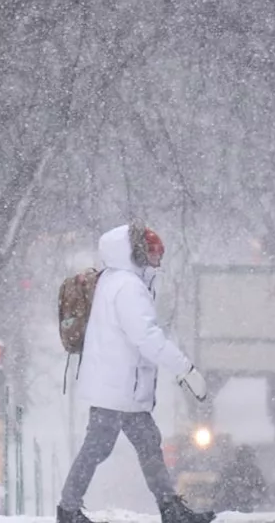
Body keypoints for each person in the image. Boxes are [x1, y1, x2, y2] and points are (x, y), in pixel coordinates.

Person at [58, 223, 214, 523]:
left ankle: (169, 507)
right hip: (118, 388)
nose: (158, 261)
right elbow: (147, 339)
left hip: (118, 386)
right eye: (155, 254)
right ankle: (68, 510)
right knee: (99, 447)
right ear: (139, 255)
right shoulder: (128, 287)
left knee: (145, 443)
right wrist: (185, 369)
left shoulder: (113, 280)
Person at [216, 445, 267, 513]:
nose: (249, 459)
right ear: (240, 458)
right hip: (230, 506)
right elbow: (221, 485)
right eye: (247, 457)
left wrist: (255, 495)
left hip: (247, 506)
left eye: (250, 457)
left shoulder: (255, 471)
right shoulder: (230, 469)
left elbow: (262, 488)